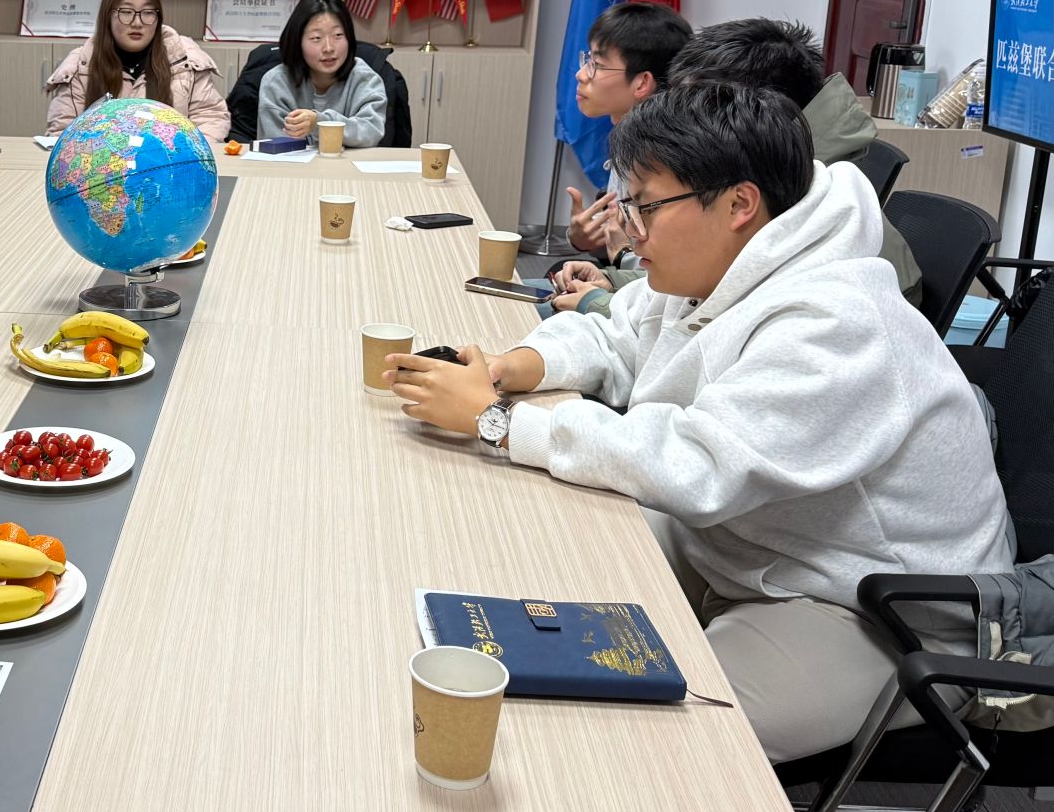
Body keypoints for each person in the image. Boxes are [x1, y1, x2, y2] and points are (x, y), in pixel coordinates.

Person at [384, 82, 1011, 764]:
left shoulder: (839, 321)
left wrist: (497, 421)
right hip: (749, 544)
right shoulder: (728, 256)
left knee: (652, 741)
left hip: (873, 610)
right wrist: (513, 367)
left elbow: (698, 467)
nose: (631, 229)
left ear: (739, 203)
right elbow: (617, 334)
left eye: (646, 205)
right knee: (542, 552)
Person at [555, 17, 922, 314]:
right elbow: (716, 285)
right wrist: (614, 282)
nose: (684, 123)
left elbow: (725, 318)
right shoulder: (776, 168)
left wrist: (604, 296)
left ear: (754, 113)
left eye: (700, 111)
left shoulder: (796, 200)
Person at [560, 1, 693, 258]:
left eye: (597, 64)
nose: (581, 74)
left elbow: (658, 263)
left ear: (642, 83)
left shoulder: (659, 158)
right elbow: (621, 238)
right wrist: (583, 237)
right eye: (587, 60)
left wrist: (619, 255)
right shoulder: (631, 135)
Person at [43, 0, 230, 141]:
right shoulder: (81, 65)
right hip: (102, 166)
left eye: (148, 12)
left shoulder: (185, 58)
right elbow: (62, 132)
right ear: (108, 15)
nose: (137, 22)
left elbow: (210, 117)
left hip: (172, 164)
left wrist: (186, 156)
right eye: (126, 12)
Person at [255, 0, 388, 146]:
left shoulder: (365, 79)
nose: (329, 48)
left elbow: (371, 131)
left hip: (349, 163)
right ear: (298, 41)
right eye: (316, 38)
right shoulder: (276, 83)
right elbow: (275, 146)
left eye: (338, 35)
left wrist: (319, 123)